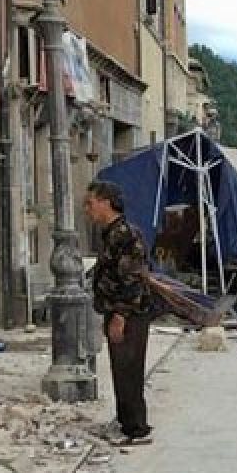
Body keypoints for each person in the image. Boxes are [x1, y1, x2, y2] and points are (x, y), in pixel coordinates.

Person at [85, 180, 153, 447]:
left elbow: (134, 279)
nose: (87, 210)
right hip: (117, 310)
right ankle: (127, 423)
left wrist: (120, 316)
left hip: (130, 313)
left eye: (90, 203)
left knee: (129, 369)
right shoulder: (111, 234)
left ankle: (137, 429)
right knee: (121, 368)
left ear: (105, 202)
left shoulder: (125, 235)